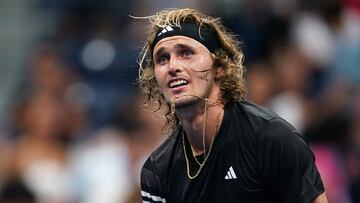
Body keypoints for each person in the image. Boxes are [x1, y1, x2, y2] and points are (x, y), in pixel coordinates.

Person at [137, 8, 327, 203]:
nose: (173, 66)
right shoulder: (156, 169)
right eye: (162, 59)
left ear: (219, 67)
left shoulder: (272, 139)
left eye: (186, 53)